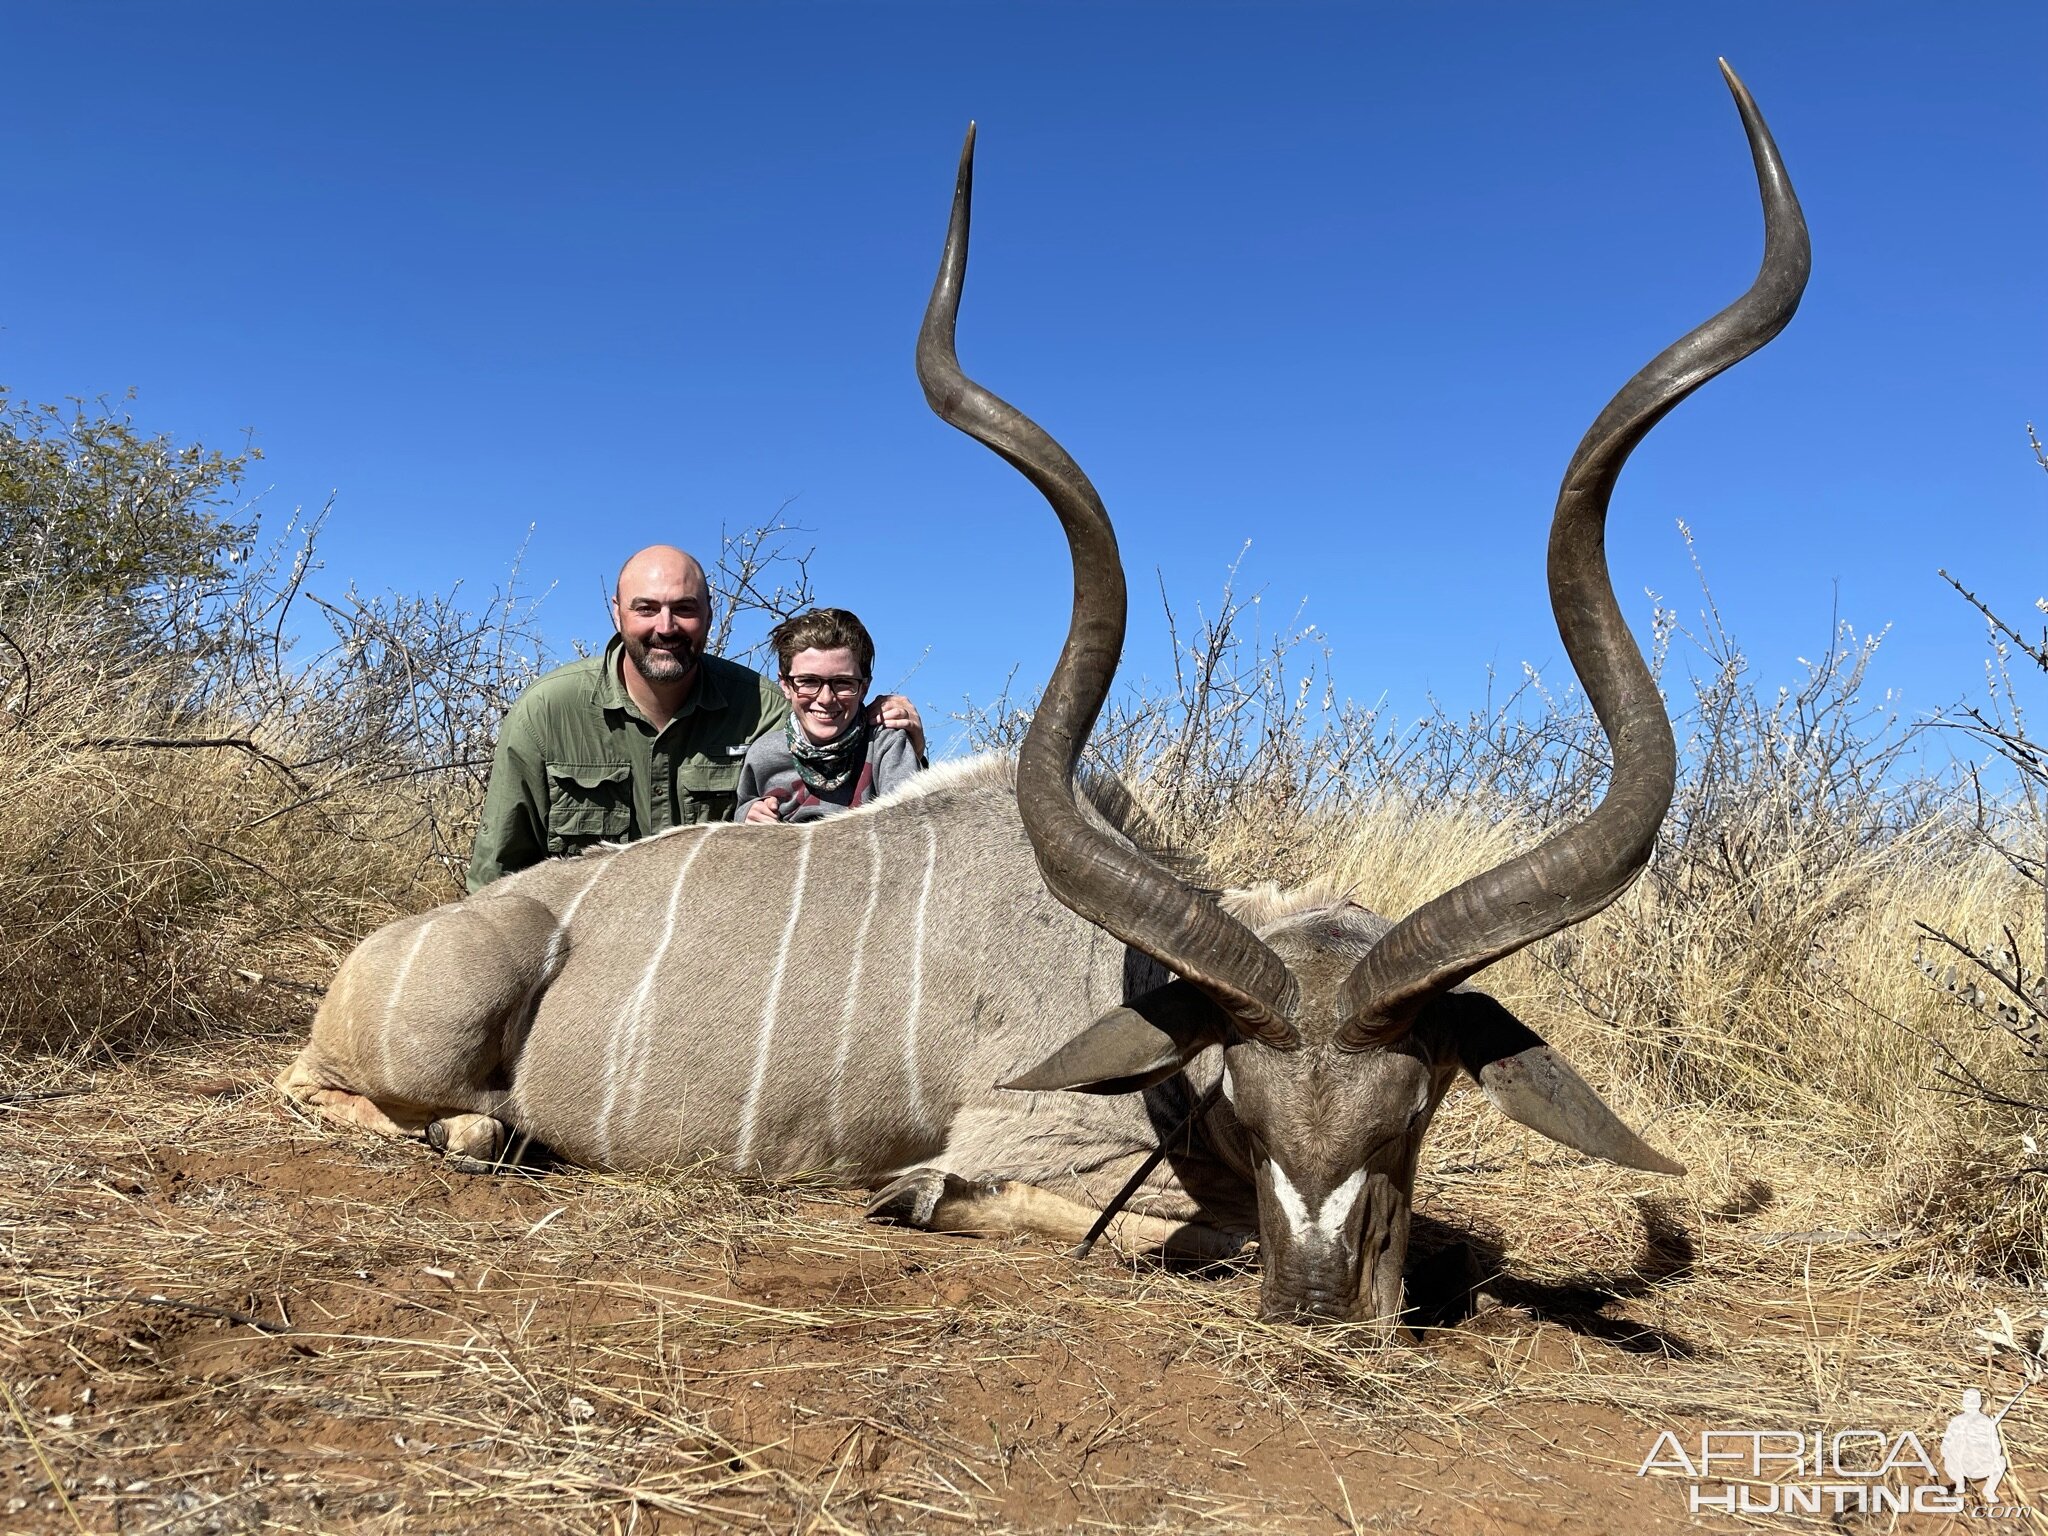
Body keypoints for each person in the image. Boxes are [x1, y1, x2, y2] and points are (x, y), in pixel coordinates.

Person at [467, 546, 923, 889]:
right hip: (587, 950)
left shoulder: (766, 709)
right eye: (646, 608)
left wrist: (906, 740)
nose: (666, 627)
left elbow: (836, 739)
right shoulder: (547, 712)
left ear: (708, 614)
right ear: (617, 613)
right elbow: (499, 873)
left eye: (684, 609)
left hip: (716, 950)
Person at [736, 608, 924, 824]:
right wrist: (749, 814)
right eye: (808, 681)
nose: (826, 699)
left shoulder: (886, 745)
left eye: (843, 683)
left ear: (864, 687)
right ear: (786, 685)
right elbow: (742, 810)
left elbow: (909, 824)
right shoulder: (764, 754)